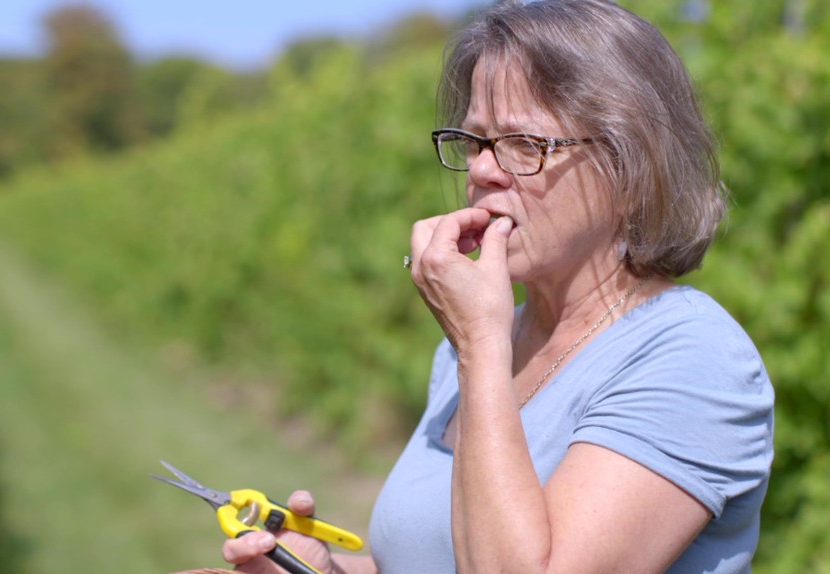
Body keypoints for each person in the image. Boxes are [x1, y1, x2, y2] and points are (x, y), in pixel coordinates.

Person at [221, 1, 774, 572]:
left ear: (631, 169)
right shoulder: (478, 345)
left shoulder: (692, 358)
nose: (483, 171)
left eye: (525, 144)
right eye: (475, 141)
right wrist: (323, 569)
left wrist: (480, 348)